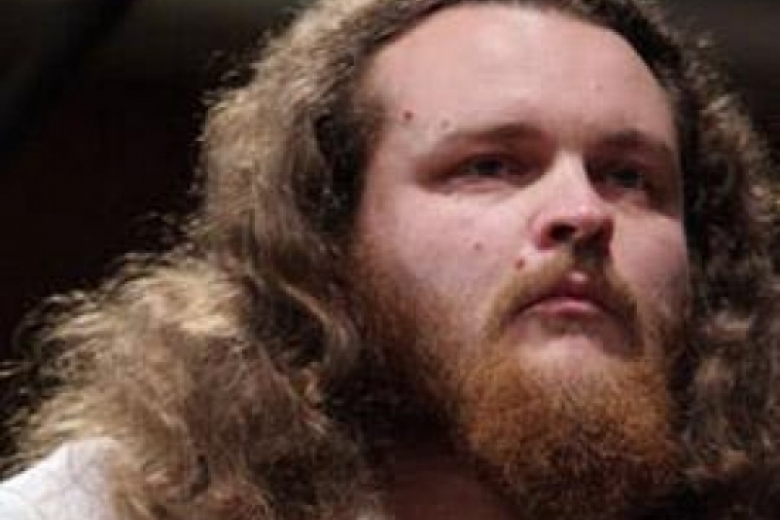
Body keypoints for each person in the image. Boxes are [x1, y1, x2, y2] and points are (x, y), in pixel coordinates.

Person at [1, 0, 778, 519]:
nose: (585, 212)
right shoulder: (105, 508)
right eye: (490, 166)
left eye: (629, 178)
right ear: (324, 237)